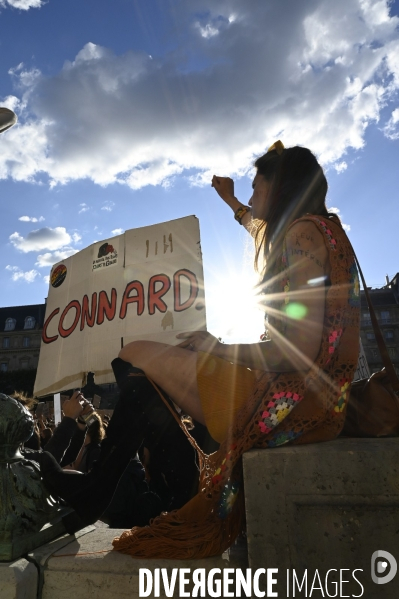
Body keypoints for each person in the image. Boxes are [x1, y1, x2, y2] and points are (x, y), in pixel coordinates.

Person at [111, 141, 361, 559]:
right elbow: (258, 226)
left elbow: (294, 352)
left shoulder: (300, 234)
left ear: (279, 190)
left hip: (288, 407)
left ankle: (152, 487)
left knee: (133, 351)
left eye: (255, 187)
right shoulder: (321, 229)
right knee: (151, 360)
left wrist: (219, 347)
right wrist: (229, 201)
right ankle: (140, 481)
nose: (250, 198)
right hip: (314, 404)